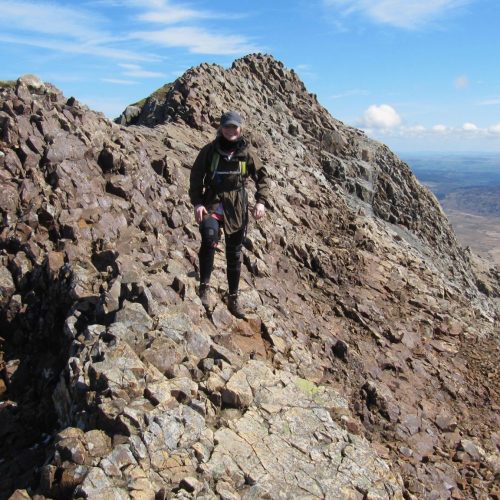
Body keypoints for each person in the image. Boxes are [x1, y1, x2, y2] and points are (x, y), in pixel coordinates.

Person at [189, 111, 269, 318]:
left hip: (237, 207)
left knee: (234, 253)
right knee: (208, 237)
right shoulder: (209, 151)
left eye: (234, 127)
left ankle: (233, 297)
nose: (231, 131)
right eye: (227, 127)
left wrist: (261, 202)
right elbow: (196, 176)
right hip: (213, 204)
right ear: (221, 129)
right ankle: (204, 286)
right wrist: (197, 203)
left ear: (240, 129)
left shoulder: (247, 153)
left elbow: (262, 177)